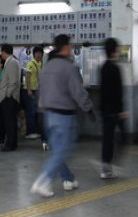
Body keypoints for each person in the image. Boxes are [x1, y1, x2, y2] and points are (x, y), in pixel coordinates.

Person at [30, 34, 94, 198]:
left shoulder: (46, 68)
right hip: (64, 116)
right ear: (65, 47)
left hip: (48, 115)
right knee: (63, 149)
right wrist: (89, 108)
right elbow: (78, 92)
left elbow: (40, 92)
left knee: (58, 150)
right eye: (70, 47)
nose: (71, 50)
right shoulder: (69, 68)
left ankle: (68, 178)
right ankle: (43, 179)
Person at [99, 38, 124, 179]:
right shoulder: (115, 68)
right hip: (114, 110)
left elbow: (104, 91)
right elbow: (118, 92)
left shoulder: (103, 68)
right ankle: (109, 166)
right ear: (114, 51)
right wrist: (121, 110)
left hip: (105, 109)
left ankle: (106, 167)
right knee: (120, 138)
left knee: (107, 139)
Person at [0, 44, 21, 152]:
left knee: (9, 122)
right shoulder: (11, 62)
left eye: (1, 52)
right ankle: (12, 143)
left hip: (9, 98)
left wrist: (7, 94)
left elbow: (13, 81)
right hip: (9, 97)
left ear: (4, 52)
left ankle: (10, 145)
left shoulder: (11, 63)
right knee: (10, 122)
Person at [23, 46, 44, 139]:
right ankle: (30, 132)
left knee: (35, 112)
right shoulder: (30, 63)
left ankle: (34, 131)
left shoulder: (40, 64)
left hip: (36, 90)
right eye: (37, 53)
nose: (39, 55)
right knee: (30, 111)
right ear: (34, 54)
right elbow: (27, 77)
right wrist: (28, 90)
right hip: (30, 90)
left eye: (41, 53)